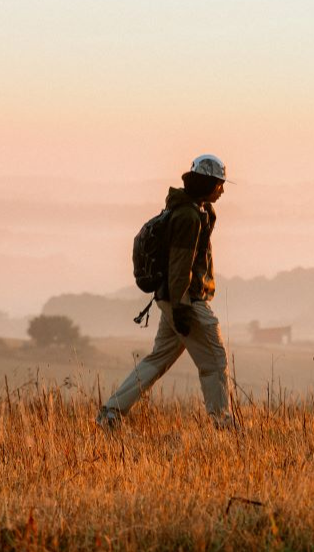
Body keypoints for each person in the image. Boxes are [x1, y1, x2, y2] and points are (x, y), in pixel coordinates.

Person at [97, 154, 232, 429]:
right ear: (207, 183)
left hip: (170, 298)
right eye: (219, 183)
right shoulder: (188, 217)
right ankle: (223, 424)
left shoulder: (188, 210)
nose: (222, 189)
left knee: (158, 359)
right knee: (215, 360)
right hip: (186, 300)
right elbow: (180, 267)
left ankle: (111, 412)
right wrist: (182, 307)